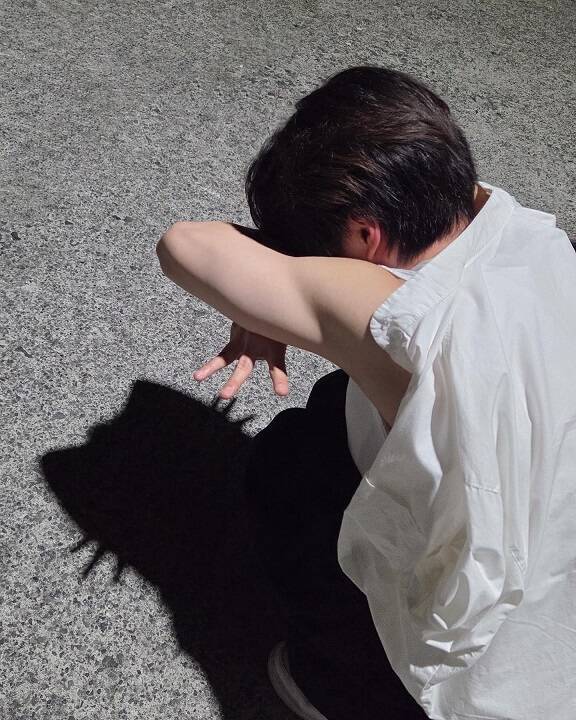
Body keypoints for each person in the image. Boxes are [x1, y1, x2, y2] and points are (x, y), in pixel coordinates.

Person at [156, 66, 576, 719]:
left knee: (287, 465)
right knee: (338, 403)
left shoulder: (412, 323)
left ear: (365, 236)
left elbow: (183, 245)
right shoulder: (530, 237)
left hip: (488, 679)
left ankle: (342, 689)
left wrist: (270, 299)